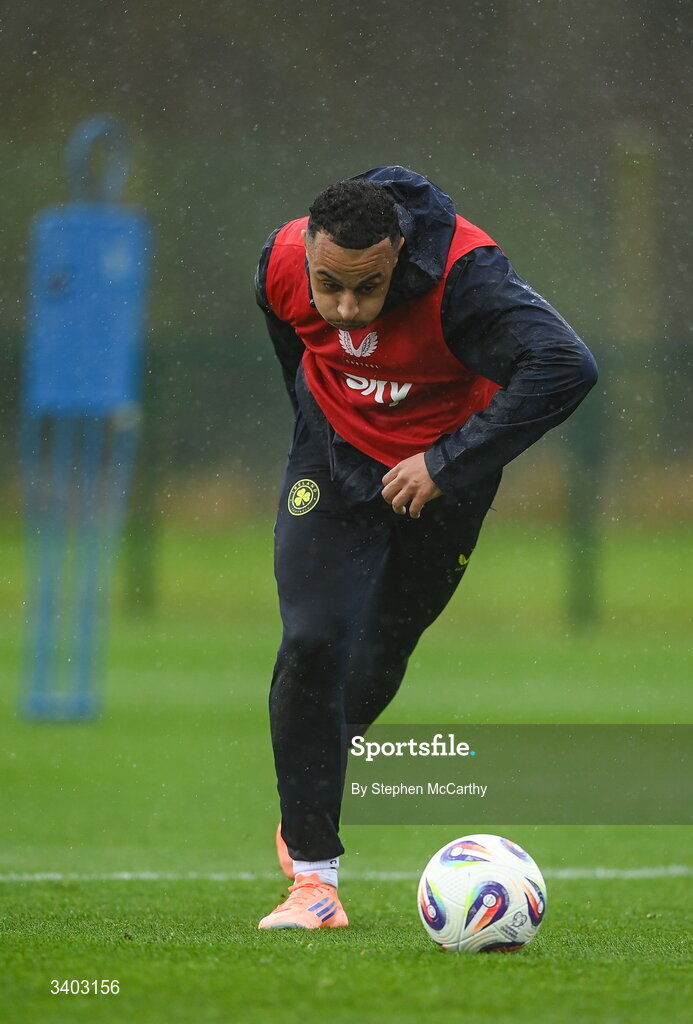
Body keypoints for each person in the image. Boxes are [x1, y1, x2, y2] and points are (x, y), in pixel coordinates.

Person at [254, 166, 598, 930]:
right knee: (311, 642)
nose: (345, 310)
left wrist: (444, 463)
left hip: (444, 475)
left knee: (372, 665)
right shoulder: (278, 263)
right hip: (334, 461)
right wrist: (318, 433)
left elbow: (565, 367)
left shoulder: (467, 279)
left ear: (400, 255)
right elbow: (296, 346)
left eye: (367, 288)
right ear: (304, 250)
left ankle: (308, 786)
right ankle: (313, 880)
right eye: (328, 286)